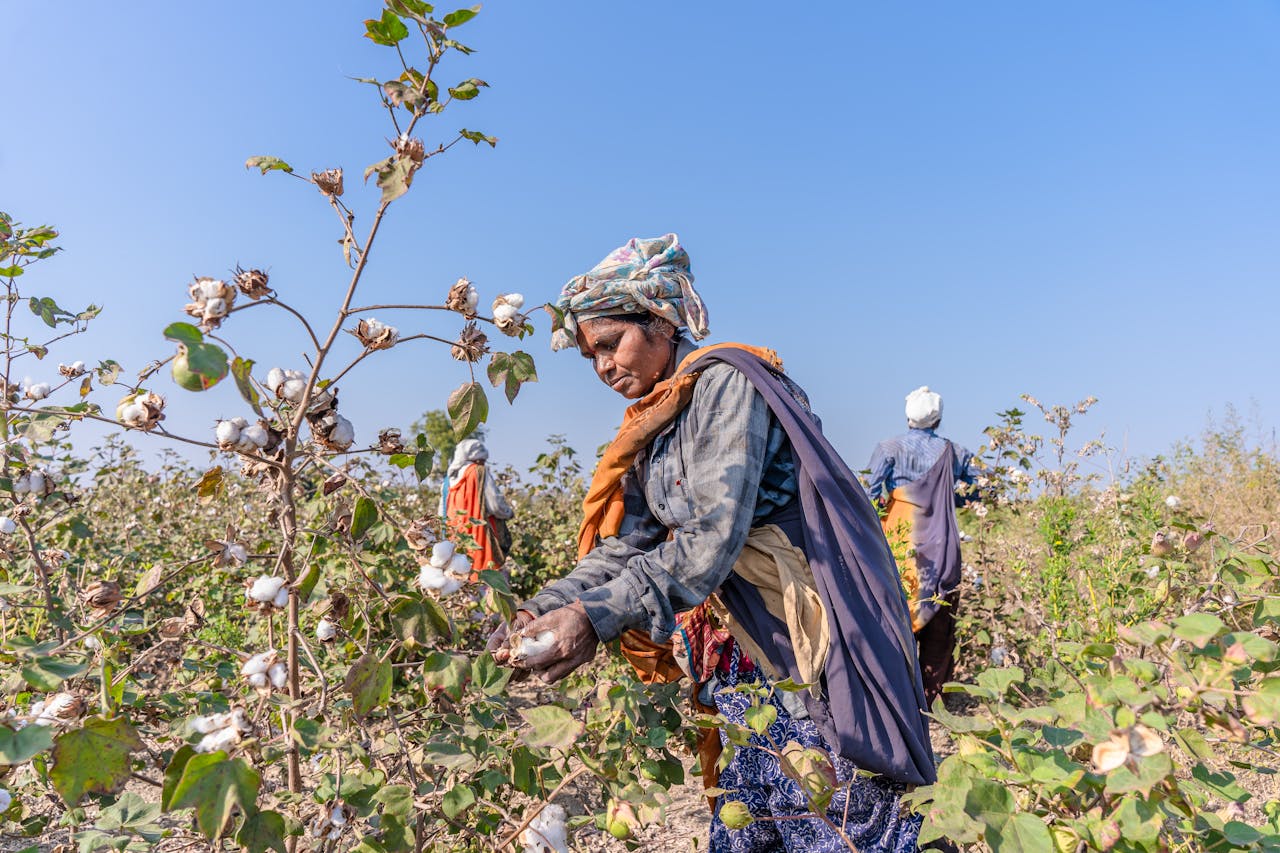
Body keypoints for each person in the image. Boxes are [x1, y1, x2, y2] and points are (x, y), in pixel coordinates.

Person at [489, 234, 931, 852]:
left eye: (612, 343)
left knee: (834, 803)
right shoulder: (659, 416)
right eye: (591, 355)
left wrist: (593, 617)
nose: (604, 367)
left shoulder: (725, 384)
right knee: (756, 803)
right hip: (737, 639)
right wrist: (546, 604)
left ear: (662, 322)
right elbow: (635, 540)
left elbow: (709, 539)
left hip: (799, 632)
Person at [864, 387, 976, 707]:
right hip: (942, 544)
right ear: (938, 418)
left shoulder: (888, 448)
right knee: (940, 626)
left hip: (900, 542)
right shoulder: (955, 452)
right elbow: (981, 488)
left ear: (908, 416)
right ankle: (932, 702)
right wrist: (949, 499)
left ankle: (895, 698)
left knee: (895, 616)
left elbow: (872, 497)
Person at [444, 438, 514, 576]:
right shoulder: (479, 472)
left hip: (456, 534)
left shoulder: (448, 479)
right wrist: (508, 513)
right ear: (476, 458)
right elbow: (495, 505)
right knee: (486, 576)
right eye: (482, 459)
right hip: (479, 535)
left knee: (459, 575)